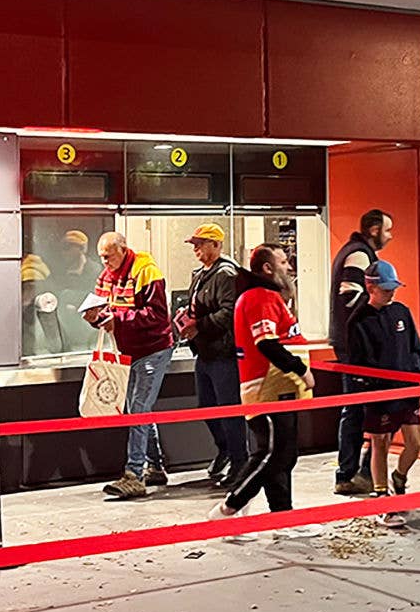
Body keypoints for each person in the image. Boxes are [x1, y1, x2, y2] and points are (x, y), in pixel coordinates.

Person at [209, 244, 314, 525]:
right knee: (270, 455)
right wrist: (301, 369)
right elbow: (266, 343)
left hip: (280, 388)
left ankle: (283, 517)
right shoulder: (260, 297)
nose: (289, 267)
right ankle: (229, 508)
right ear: (267, 268)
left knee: (284, 455)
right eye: (283, 261)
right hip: (268, 388)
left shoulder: (268, 297)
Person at [89, 231, 173, 499]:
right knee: (136, 409)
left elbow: (158, 316)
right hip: (128, 352)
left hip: (153, 350)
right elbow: (102, 306)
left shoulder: (146, 270)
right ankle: (156, 466)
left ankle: (134, 474)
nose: (104, 261)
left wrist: (118, 320)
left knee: (137, 410)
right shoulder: (106, 275)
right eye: (101, 256)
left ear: (124, 249)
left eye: (109, 256)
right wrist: (94, 316)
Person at [348, 260, 420, 528]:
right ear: (371, 287)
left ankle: (399, 477)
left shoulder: (402, 312)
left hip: (407, 388)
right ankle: (381, 497)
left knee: (416, 443)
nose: (391, 293)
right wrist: (369, 387)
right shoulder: (359, 320)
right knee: (380, 443)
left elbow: (415, 347)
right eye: (386, 288)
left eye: (393, 288)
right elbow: (359, 360)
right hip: (379, 392)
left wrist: (416, 374)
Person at [177, 223, 247, 489]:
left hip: (223, 354)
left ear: (216, 245)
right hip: (204, 352)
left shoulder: (226, 273)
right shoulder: (200, 274)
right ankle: (225, 450)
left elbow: (230, 313)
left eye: (201, 243)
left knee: (230, 411)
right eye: (194, 243)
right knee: (207, 408)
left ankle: (240, 462)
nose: (195, 248)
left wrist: (199, 325)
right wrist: (186, 319)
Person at [328, 208, 392, 495]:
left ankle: (354, 473)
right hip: (356, 347)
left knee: (354, 408)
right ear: (374, 230)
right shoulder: (359, 255)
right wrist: (372, 327)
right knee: (360, 409)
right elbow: (350, 297)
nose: (390, 237)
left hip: (349, 343)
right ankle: (353, 473)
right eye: (388, 231)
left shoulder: (352, 251)